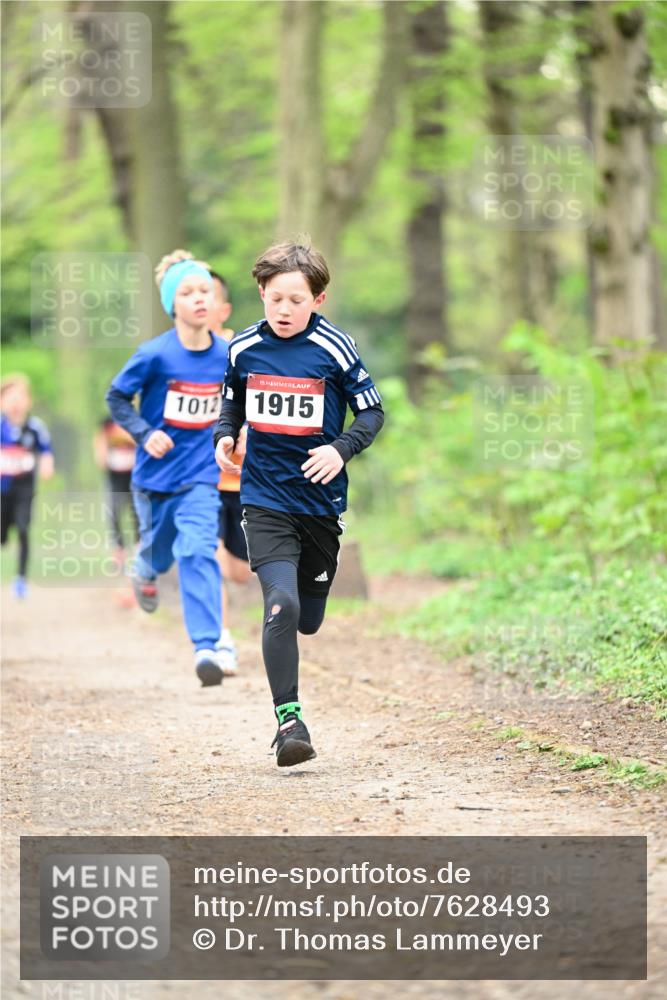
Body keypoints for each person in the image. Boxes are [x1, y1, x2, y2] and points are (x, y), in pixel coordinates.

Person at [213, 240, 384, 766]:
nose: (284, 310)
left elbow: (372, 414)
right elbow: (232, 400)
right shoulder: (243, 348)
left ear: (319, 298)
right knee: (279, 604)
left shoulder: (334, 348)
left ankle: (312, 601)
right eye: (275, 299)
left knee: (307, 616)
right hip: (262, 496)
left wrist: (340, 448)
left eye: (296, 300)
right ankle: (289, 722)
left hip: (320, 504)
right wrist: (225, 434)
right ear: (261, 293)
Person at [106, 250, 232, 686]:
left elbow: (243, 401)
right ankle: (144, 568)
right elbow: (117, 398)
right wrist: (144, 432)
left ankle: (207, 647)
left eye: (205, 291)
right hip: (154, 477)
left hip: (201, 475)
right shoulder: (154, 355)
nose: (199, 298)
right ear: (171, 305)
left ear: (216, 302)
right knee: (158, 552)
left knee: (196, 549)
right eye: (187, 292)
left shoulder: (229, 356)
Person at [208, 269, 252, 675]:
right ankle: (220, 638)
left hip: (239, 479)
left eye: (207, 296)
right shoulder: (171, 356)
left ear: (223, 309)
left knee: (238, 571)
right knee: (207, 555)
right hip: (199, 480)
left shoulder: (241, 351)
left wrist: (245, 431)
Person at [0, 374, 55, 599]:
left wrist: (47, 465)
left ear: (28, 401)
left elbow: (46, 451)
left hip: (24, 490)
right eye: (10, 397)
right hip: (2, 491)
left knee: (23, 529)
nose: (15, 402)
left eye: (20, 397)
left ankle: (21, 579)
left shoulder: (35, 428)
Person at [93, 416, 138, 568]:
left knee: (136, 513)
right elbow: (100, 442)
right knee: (113, 511)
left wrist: (124, 436)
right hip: (114, 475)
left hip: (133, 475)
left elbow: (140, 440)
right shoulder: (107, 422)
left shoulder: (136, 419)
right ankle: (119, 550)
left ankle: (139, 549)